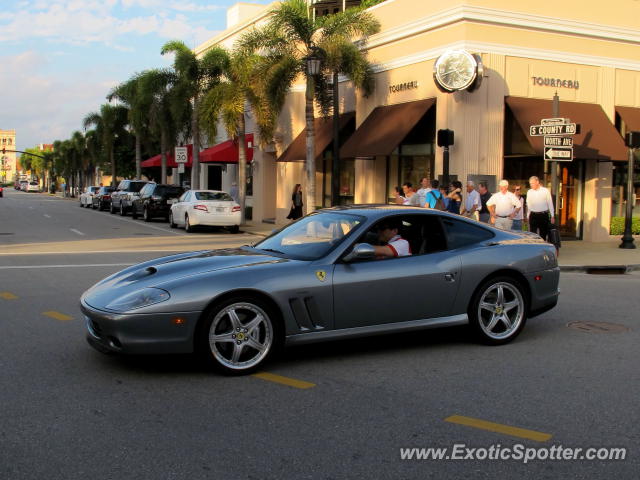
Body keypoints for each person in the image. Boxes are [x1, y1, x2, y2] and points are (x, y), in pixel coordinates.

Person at [526, 175, 555, 240]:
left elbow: (550, 203)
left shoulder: (545, 191)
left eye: (532, 183)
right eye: (530, 184)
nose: (531, 185)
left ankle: (542, 248)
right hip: (533, 215)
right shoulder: (529, 192)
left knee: (543, 234)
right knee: (532, 234)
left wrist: (552, 215)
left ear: (537, 182)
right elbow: (528, 205)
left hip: (543, 215)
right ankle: (534, 248)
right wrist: (528, 216)